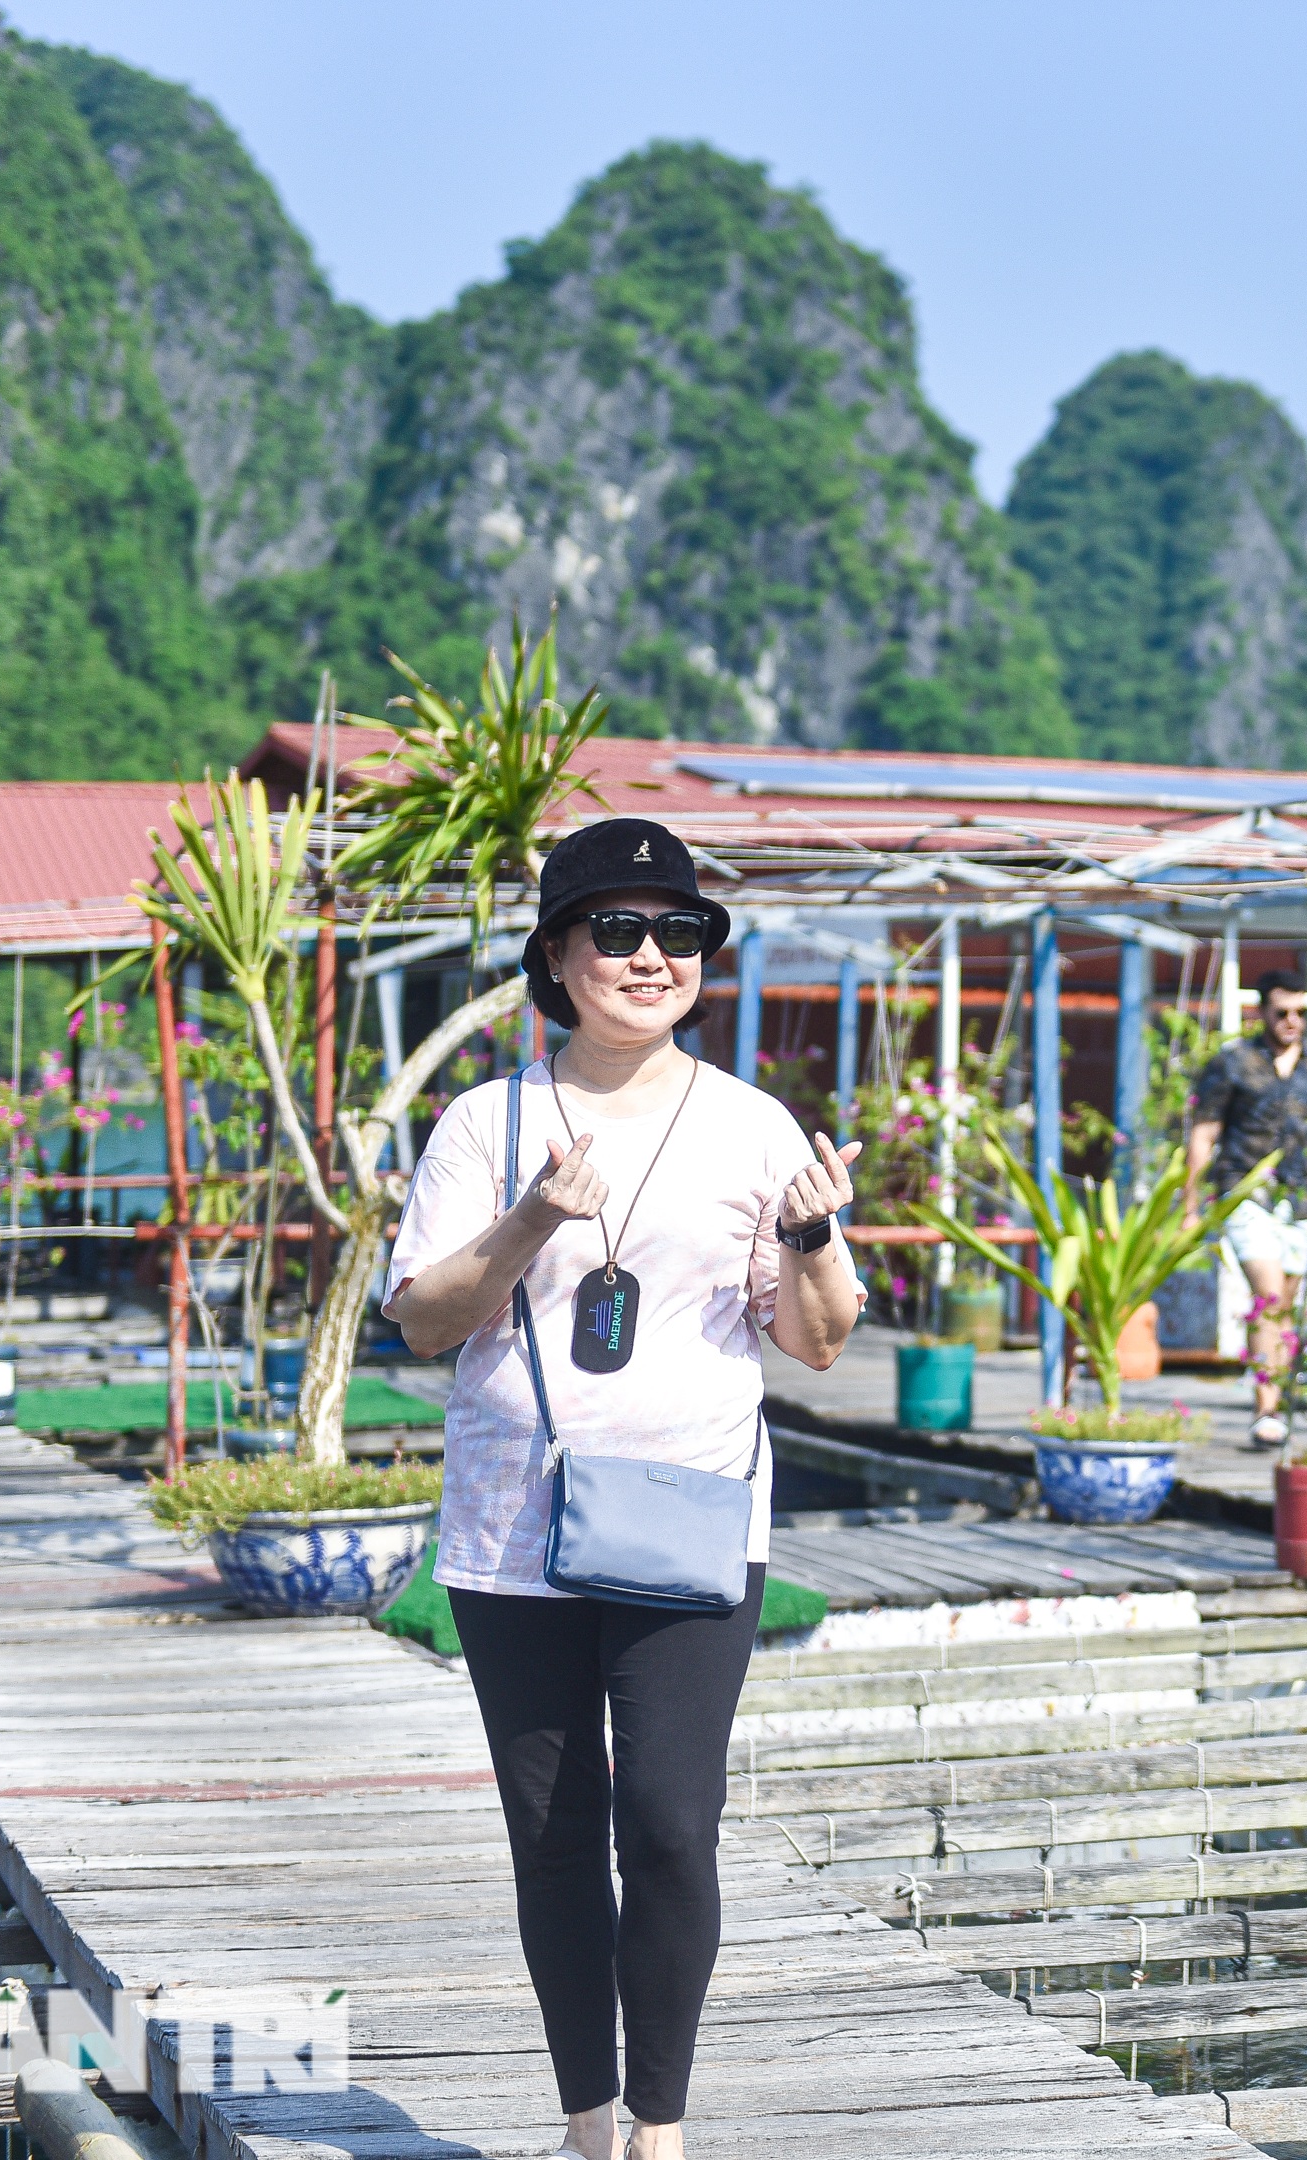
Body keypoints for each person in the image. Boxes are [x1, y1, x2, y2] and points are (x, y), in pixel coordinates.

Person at [382, 818, 868, 2160]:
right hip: (512, 1531)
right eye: (617, 929)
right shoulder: (486, 1123)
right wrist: (536, 1215)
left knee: (667, 1825)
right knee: (554, 1836)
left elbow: (817, 1338)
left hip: (692, 1520)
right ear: (556, 956)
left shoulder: (754, 1127)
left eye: (679, 932)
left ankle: (661, 2129)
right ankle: (588, 2128)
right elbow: (423, 1322)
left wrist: (811, 1237)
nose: (651, 956)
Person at [1185, 968, 1307, 1446]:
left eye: (1301, 1013)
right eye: (1282, 1012)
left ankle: (1276, 1401)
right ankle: (1266, 1408)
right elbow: (1205, 1131)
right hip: (1246, 1191)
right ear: (1262, 1011)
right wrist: (1190, 1202)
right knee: (1267, 1297)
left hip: (1300, 1197)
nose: (1292, 1021)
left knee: (1285, 1303)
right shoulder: (1234, 1063)